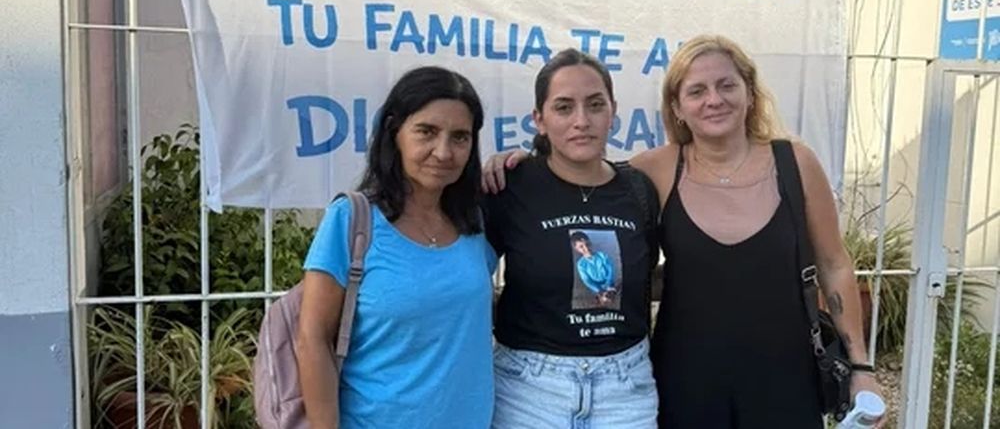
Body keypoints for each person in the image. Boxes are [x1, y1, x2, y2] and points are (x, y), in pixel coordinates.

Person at [484, 35, 881, 428]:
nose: (714, 99)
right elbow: (579, 179)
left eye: (727, 85)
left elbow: (835, 264)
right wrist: (523, 163)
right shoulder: (655, 171)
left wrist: (861, 365)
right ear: (677, 106)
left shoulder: (795, 164)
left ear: (749, 92)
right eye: (697, 90)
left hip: (785, 380)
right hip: (685, 384)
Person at [297, 66, 496, 429]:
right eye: (427, 132)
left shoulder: (477, 223)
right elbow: (313, 338)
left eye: (460, 137)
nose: (443, 151)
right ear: (395, 132)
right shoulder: (352, 220)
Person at [484, 48, 660, 429]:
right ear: (539, 120)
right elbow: (463, 277)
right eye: (563, 107)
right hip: (528, 392)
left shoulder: (639, 192)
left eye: (595, 105)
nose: (581, 120)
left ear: (613, 111)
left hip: (625, 392)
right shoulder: (509, 186)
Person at [570, 231, 618, 307]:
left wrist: (608, 285)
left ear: (591, 243)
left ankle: (610, 295)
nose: (586, 248)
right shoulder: (581, 264)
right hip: (596, 287)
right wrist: (599, 290)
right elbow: (587, 280)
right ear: (577, 249)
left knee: (611, 298)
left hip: (609, 283)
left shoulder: (603, 256)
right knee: (602, 302)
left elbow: (610, 271)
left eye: (587, 244)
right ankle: (601, 300)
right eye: (581, 246)